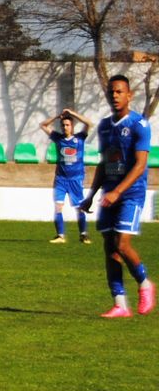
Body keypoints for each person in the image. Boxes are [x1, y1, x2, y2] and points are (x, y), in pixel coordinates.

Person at [78, 75, 153, 317]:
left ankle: (145, 284)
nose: (115, 96)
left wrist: (118, 191)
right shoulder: (104, 126)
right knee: (110, 249)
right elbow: (104, 162)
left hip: (131, 193)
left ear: (129, 95)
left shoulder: (139, 125)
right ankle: (120, 304)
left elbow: (140, 165)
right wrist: (91, 195)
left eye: (119, 92)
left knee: (122, 244)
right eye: (111, 92)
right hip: (109, 193)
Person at [41, 107, 92, 244]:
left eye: (68, 125)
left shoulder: (79, 138)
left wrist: (72, 113)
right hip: (61, 179)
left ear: (72, 126)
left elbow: (89, 123)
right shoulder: (58, 138)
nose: (65, 127)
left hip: (76, 179)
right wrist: (57, 116)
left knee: (79, 208)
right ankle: (60, 236)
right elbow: (43, 125)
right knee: (58, 207)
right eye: (63, 125)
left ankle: (83, 234)